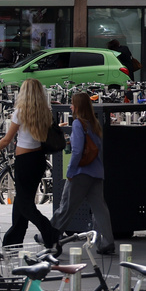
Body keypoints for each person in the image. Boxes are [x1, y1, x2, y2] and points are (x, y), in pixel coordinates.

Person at [0, 77, 60, 251]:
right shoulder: (45, 112)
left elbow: (6, 139)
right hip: (39, 160)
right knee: (22, 200)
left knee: (25, 203)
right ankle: (14, 239)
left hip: (25, 161)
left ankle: (49, 232)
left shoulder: (20, 112)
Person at [56, 91, 116, 257]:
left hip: (80, 172)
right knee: (100, 208)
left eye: (72, 103)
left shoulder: (78, 123)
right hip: (96, 172)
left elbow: (77, 151)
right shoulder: (94, 124)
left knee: (67, 206)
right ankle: (107, 241)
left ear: (78, 106)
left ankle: (51, 235)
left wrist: (70, 171)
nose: (70, 106)